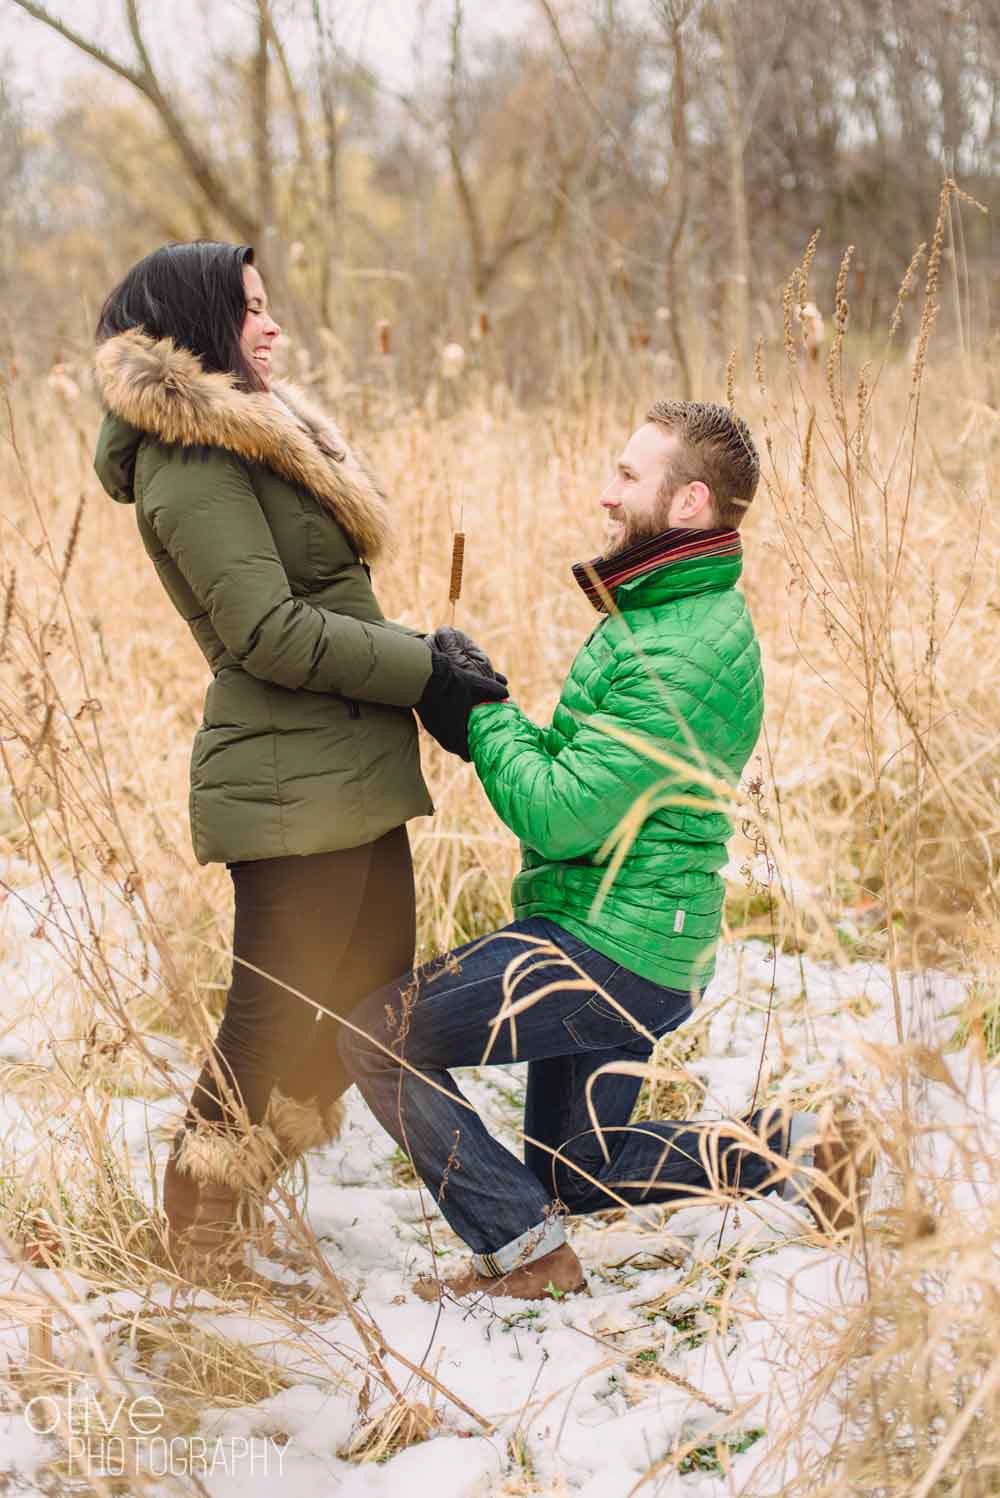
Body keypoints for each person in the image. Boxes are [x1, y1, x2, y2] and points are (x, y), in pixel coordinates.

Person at [342, 401, 860, 1303]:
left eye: (628, 476)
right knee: (578, 1167)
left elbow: (562, 816)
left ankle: (524, 1255)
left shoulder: (682, 646)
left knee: (375, 1033)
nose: (604, 495)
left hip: (610, 946)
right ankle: (801, 1149)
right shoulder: (665, 616)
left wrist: (480, 715)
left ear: (690, 500)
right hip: (641, 936)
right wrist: (485, 711)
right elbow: (587, 777)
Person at [92, 241, 505, 1283]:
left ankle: (230, 1210)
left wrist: (423, 659)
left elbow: (320, 608)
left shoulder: (256, 442)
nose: (274, 328)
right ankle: (195, 1243)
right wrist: (422, 663)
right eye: (252, 312)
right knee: (271, 1026)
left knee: (365, 1015)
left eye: (270, 308)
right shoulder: (189, 462)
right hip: (286, 788)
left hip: (348, 774)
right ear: (196, 327)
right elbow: (268, 631)